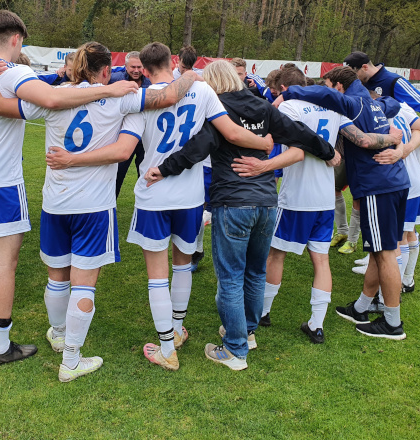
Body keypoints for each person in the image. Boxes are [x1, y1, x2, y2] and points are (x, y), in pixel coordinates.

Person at [43, 43, 272, 372]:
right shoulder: (203, 90)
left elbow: (124, 150)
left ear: (144, 70)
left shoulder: (141, 102)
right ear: (173, 62)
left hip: (153, 194)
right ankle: (177, 331)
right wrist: (264, 143)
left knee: (157, 276)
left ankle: (167, 347)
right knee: (182, 266)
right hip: (191, 196)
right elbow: (232, 132)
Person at [0, 41, 200, 381]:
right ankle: (71, 360)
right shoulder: (119, 98)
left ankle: (58, 333)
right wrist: (191, 75)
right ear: (107, 70)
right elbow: (168, 96)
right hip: (94, 206)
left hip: (55, 202)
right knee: (84, 284)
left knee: (57, 276)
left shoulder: (53, 99)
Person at [0, 10, 139, 366]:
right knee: (3, 263)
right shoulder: (14, 72)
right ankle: (0, 345)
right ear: (17, 38)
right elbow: (52, 100)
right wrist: (109, 89)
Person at [144, 61, 337, 370]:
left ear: (212, 84)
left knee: (231, 276)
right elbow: (298, 132)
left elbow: (198, 146)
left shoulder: (216, 108)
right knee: (255, 272)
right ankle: (246, 333)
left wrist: (163, 168)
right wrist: (327, 151)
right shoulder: (262, 105)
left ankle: (234, 350)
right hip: (265, 202)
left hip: (233, 202)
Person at [238, 67, 398, 343]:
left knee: (276, 255)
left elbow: (293, 150)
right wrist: (392, 140)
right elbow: (361, 138)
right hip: (325, 200)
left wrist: (263, 165)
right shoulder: (332, 110)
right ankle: (317, 324)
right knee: (321, 261)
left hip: (296, 198)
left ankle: (262, 312)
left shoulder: (290, 109)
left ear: (286, 88)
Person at [276, 66, 409, 340]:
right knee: (378, 251)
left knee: (385, 253)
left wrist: (289, 92)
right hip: (395, 182)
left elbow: (365, 140)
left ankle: (392, 322)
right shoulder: (372, 102)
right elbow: (393, 103)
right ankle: (362, 307)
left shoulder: (351, 103)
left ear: (338, 87)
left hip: (377, 184)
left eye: (328, 85)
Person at [373, 102, 420, 293]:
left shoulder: (378, 114)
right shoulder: (401, 106)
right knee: (410, 231)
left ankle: (393, 289)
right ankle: (407, 279)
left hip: (406, 183)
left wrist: (403, 150)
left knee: (398, 239)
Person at [344, 51, 420, 129]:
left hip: (398, 143)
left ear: (365, 67)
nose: (352, 78)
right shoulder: (357, 84)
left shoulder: (393, 81)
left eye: (354, 74)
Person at [110, 51, 151, 197]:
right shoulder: (114, 80)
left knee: (147, 175)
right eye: (132, 67)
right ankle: (109, 205)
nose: (136, 70)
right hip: (122, 137)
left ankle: (147, 206)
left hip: (144, 139)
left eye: (139, 67)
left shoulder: (151, 84)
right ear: (126, 67)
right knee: (116, 176)